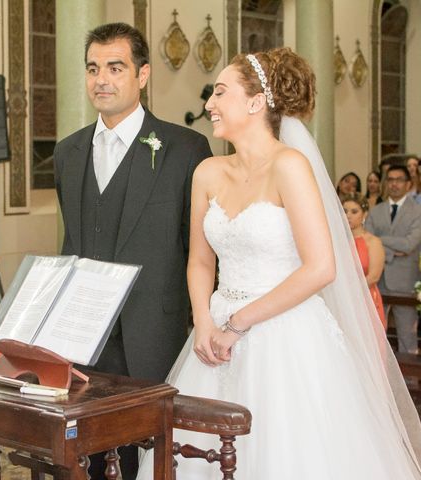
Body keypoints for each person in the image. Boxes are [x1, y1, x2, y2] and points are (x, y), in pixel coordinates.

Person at [137, 48, 421, 479]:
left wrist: (239, 323)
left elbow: (321, 267)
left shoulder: (290, 166)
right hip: (215, 334)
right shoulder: (208, 172)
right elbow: (198, 261)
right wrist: (204, 322)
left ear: (255, 103)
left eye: (220, 92)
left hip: (287, 334)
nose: (209, 104)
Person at [53, 22, 211, 479]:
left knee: (149, 460)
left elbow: (199, 249)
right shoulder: (68, 153)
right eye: (93, 68)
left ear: (142, 75)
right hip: (84, 343)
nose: (101, 79)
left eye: (115, 67)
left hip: (152, 337)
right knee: (86, 459)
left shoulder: (185, 149)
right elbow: (73, 242)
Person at [365, 165, 421, 354]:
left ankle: (409, 380)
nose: (394, 184)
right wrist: (390, 250)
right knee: (374, 332)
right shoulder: (376, 210)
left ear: (408, 184)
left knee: (407, 333)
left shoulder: (417, 211)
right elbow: (367, 241)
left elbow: (408, 245)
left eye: (398, 180)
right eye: (390, 180)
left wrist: (379, 242)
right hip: (377, 278)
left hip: (405, 281)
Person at [342, 193, 386, 328]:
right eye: (344, 211)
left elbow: (374, 277)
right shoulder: (339, 241)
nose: (348, 215)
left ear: (364, 214)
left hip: (366, 299)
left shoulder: (373, 242)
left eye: (354, 212)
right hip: (343, 300)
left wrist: (349, 291)